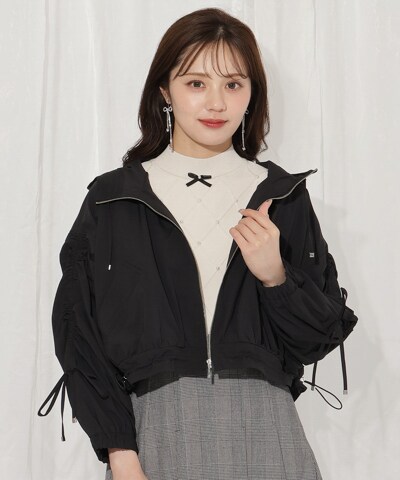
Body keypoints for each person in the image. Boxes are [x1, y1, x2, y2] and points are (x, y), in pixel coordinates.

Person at [38, 7, 358, 480]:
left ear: (252, 94)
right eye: (196, 83)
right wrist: (120, 453)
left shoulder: (283, 196)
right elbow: (77, 334)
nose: (216, 103)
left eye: (233, 84)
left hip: (269, 436)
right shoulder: (113, 200)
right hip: (154, 437)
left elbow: (317, 340)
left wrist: (277, 278)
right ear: (165, 91)